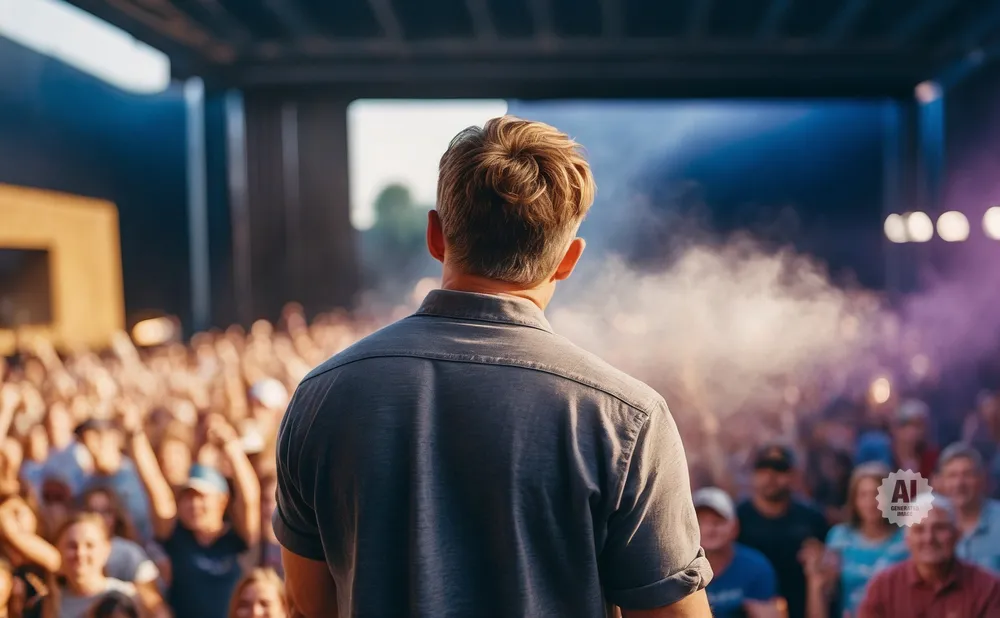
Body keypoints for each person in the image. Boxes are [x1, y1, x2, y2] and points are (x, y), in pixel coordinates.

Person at [274, 116, 713, 617]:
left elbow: (308, 603)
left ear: (435, 235)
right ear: (569, 259)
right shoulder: (625, 418)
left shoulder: (321, 396)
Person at [129, 407, 260, 618]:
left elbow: (250, 497)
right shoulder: (175, 535)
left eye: (201, 497)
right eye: (187, 497)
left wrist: (231, 448)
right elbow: (153, 484)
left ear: (222, 501)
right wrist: (135, 433)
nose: (194, 505)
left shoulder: (238, 540)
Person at [857, 496, 1000, 617]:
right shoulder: (883, 587)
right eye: (919, 530)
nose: (929, 538)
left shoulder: (988, 587)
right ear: (907, 539)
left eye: (939, 528)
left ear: (957, 534)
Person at [737, 443, 829, 618]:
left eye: (779, 468)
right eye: (763, 468)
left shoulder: (812, 518)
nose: (770, 476)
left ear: (793, 475)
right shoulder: (738, 518)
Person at [804, 463, 908, 618]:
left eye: (877, 494)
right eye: (863, 495)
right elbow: (826, 591)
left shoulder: (906, 538)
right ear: (854, 500)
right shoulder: (839, 537)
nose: (870, 502)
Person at [51, 513, 165, 618]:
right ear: (58, 549)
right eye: (72, 546)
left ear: (106, 550)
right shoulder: (49, 604)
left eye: (89, 545)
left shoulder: (130, 597)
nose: (80, 553)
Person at [693, 487, 781, 618]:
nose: (709, 530)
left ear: (735, 527)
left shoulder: (756, 567)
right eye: (699, 522)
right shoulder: (676, 569)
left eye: (718, 522)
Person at [76, 419, 152, 544]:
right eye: (86, 440)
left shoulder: (137, 472)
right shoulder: (86, 485)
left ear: (114, 438)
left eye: (99, 438)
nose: (93, 446)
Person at [934, 442, 1000, 573]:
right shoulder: (931, 525)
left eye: (967, 474)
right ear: (940, 482)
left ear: (982, 478)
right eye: (952, 476)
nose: (959, 483)